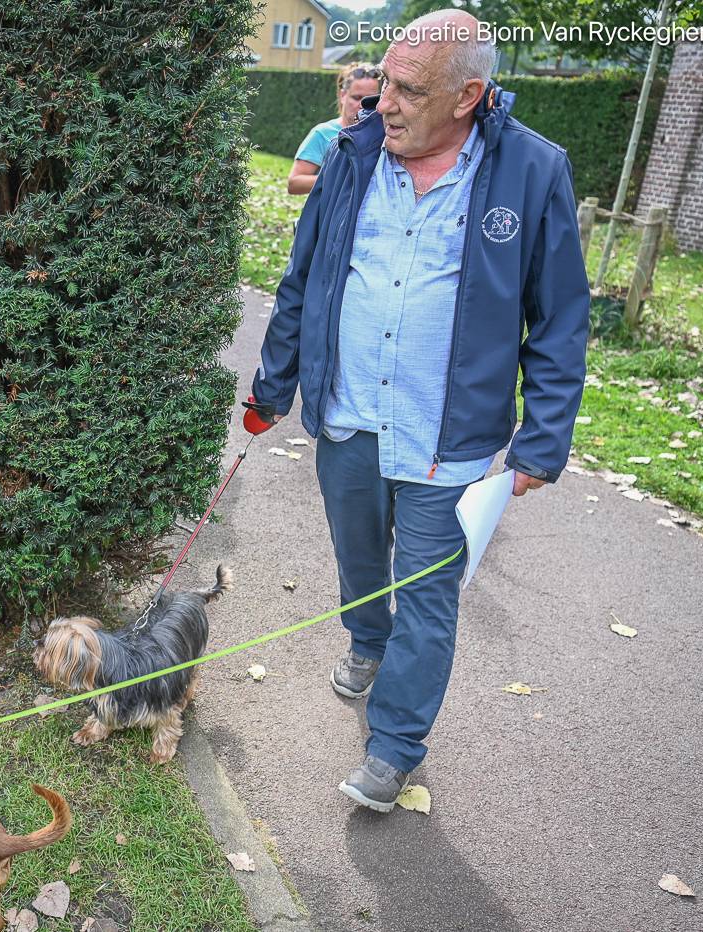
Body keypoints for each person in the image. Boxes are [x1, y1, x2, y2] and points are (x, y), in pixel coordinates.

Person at [249, 8, 589, 812]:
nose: (382, 104)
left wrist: (542, 440)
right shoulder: (352, 157)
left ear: (469, 94)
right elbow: (304, 278)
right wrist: (272, 387)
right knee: (361, 563)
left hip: (452, 442)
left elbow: (562, 318)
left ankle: (394, 747)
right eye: (382, 84)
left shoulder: (533, 173)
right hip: (350, 416)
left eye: (406, 90)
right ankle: (368, 641)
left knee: (430, 598)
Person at [287, 62, 383, 195]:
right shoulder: (323, 133)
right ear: (343, 95)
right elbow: (294, 183)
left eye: (371, 100)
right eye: (357, 98)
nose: (362, 105)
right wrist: (338, 179)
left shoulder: (383, 135)